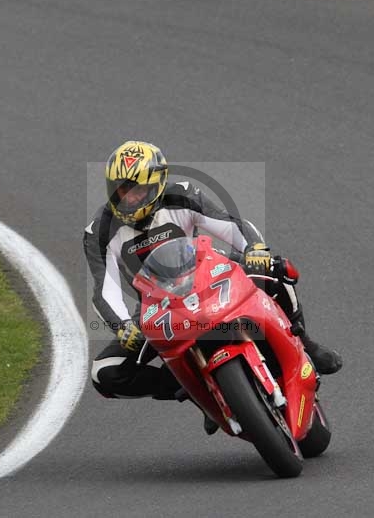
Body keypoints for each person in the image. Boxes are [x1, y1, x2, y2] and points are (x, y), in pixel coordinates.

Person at [84, 141, 342, 427]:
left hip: (211, 274)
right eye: (121, 190)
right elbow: (104, 290)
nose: (129, 199)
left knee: (275, 270)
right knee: (105, 373)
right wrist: (123, 326)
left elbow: (229, 224)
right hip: (158, 310)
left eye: (137, 190)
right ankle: (200, 392)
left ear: (157, 184)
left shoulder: (181, 195)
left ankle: (305, 344)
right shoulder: (99, 231)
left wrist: (253, 249)